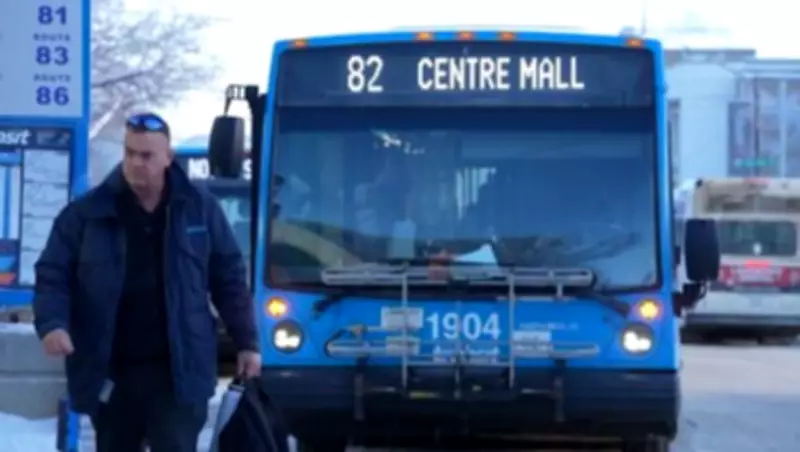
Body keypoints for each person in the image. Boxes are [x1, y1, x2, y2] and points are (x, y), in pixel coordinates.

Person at [33, 112, 261, 452]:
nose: (136, 163)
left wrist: (246, 341)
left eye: (146, 155)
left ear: (168, 157)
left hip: (179, 371)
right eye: (130, 153)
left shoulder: (199, 209)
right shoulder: (87, 213)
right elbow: (53, 273)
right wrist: (53, 324)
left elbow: (228, 278)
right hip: (111, 370)